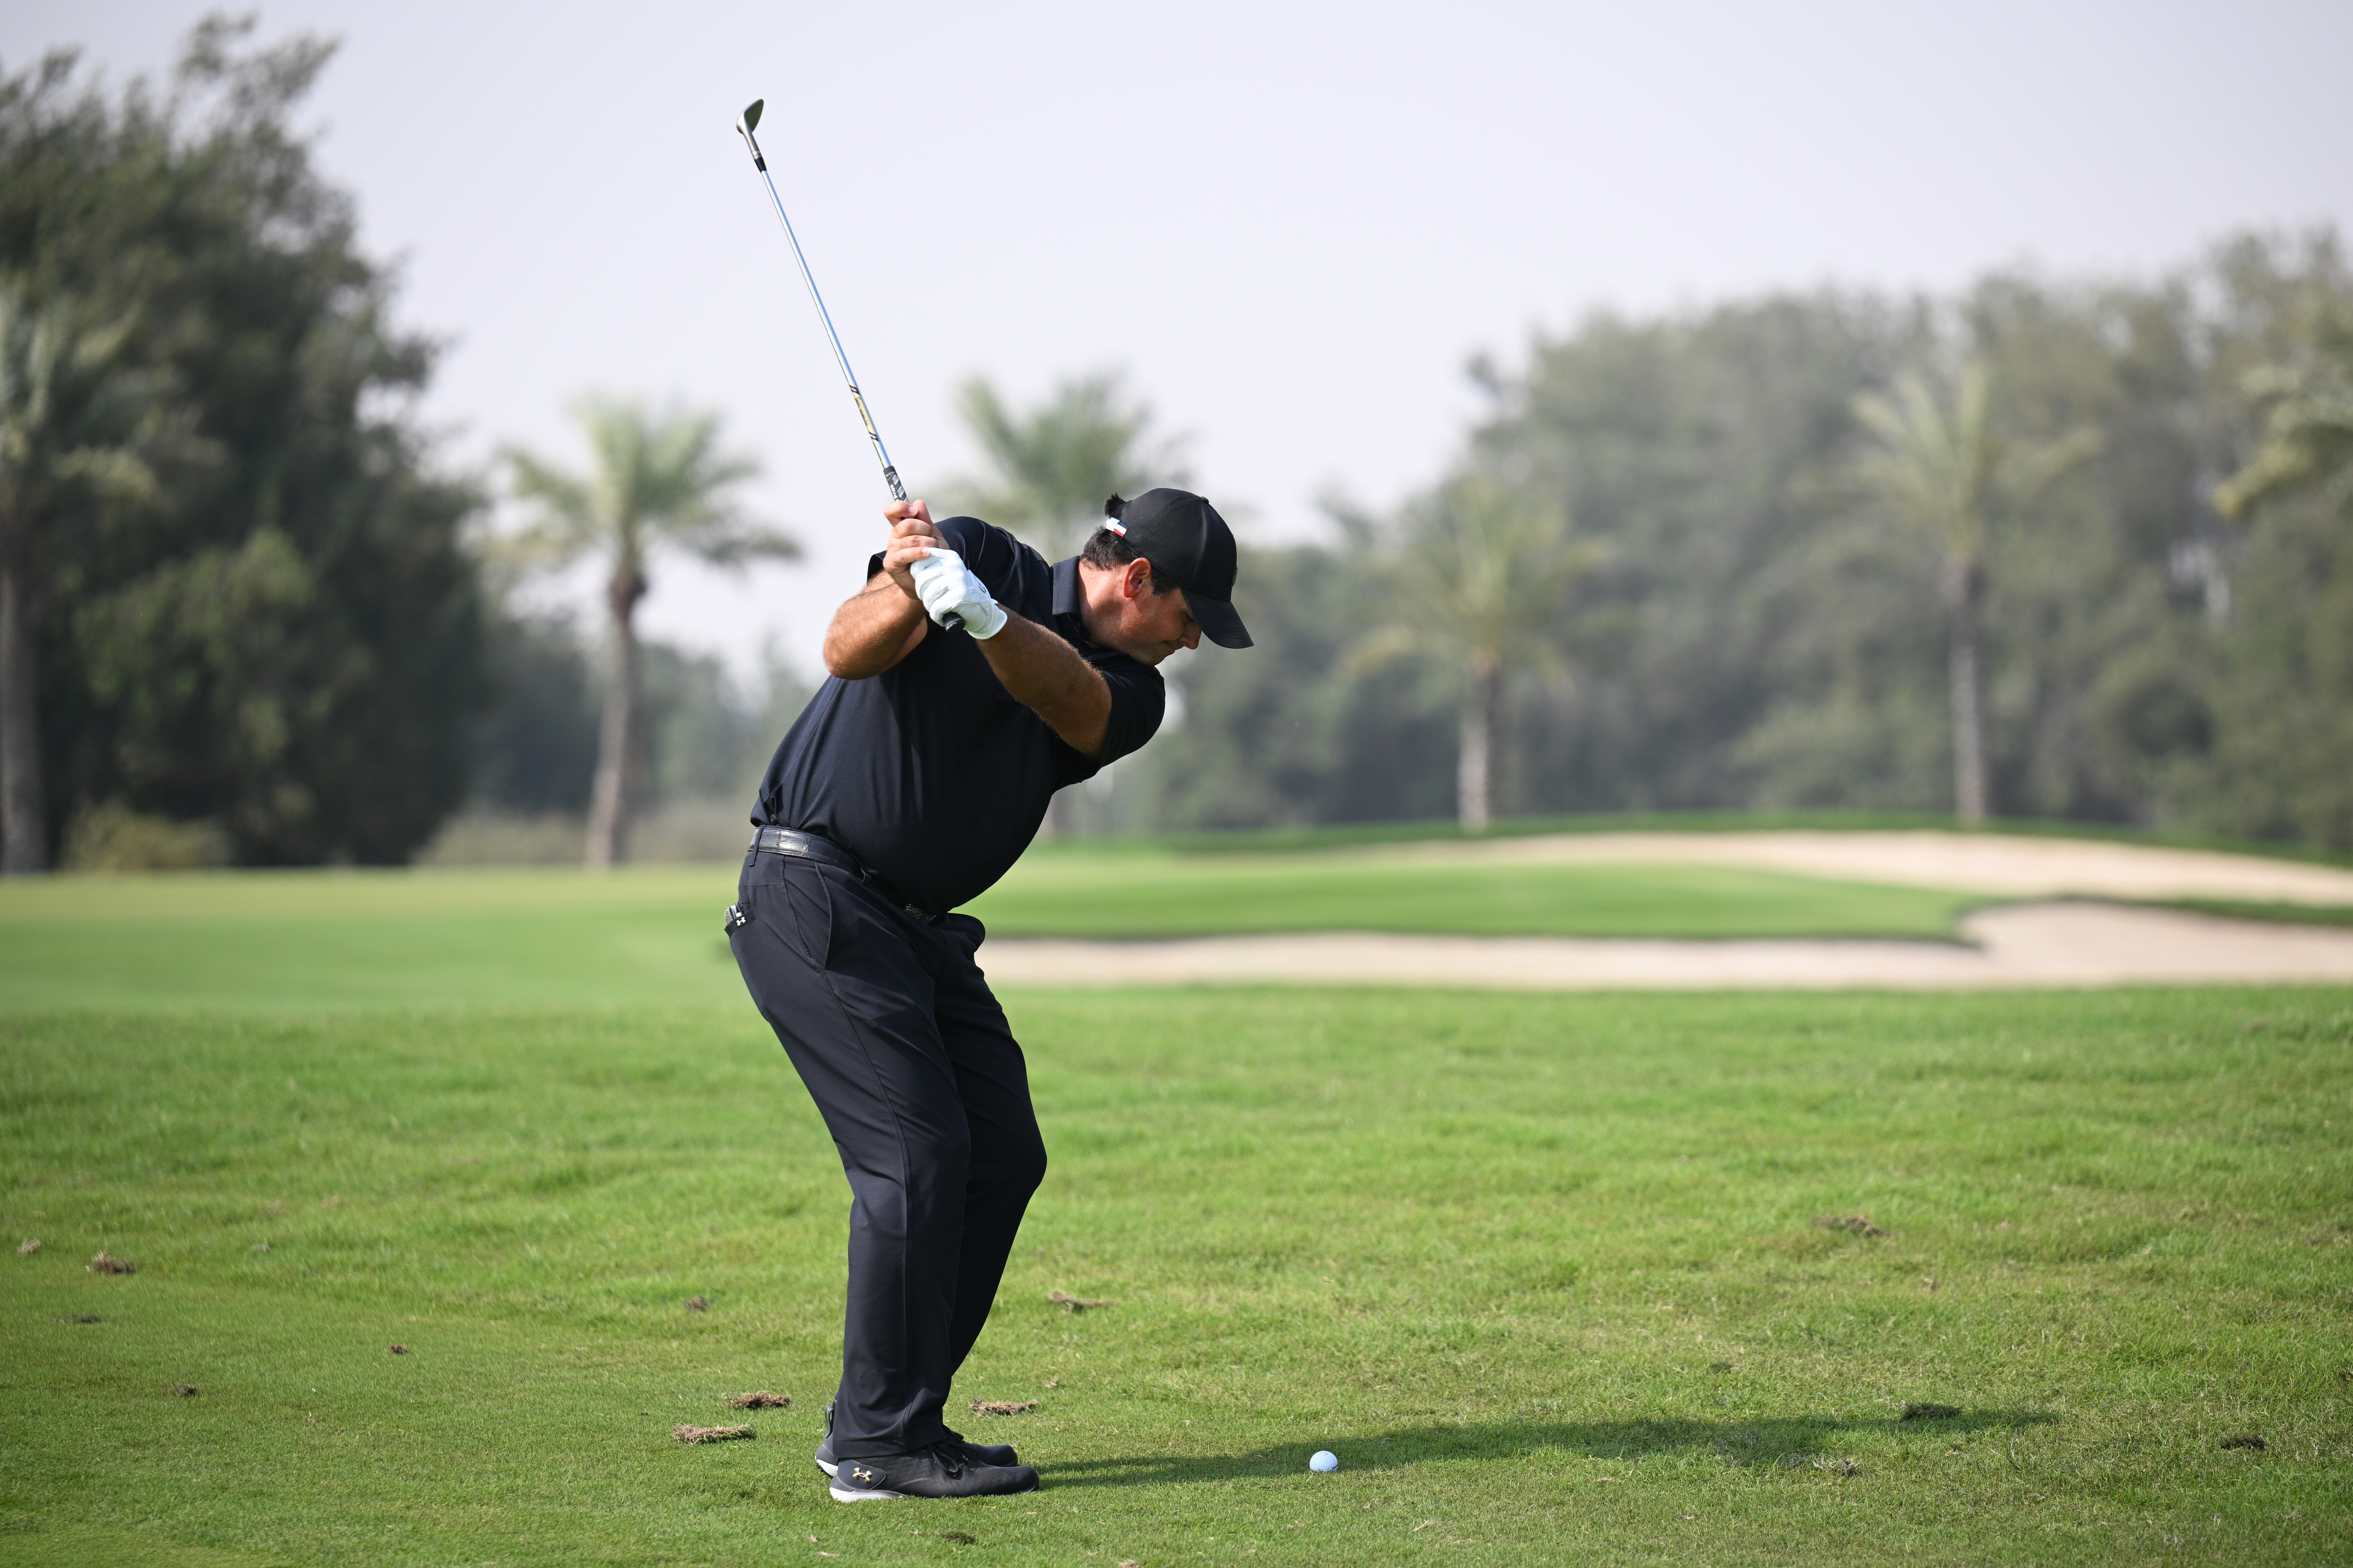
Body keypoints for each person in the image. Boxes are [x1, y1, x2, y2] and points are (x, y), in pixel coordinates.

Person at [726, 487, 1252, 1502]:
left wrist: (986, 620)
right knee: (918, 1152)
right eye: (1190, 617)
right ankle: (882, 1442)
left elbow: (1073, 701)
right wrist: (913, 587)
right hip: (815, 891)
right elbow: (847, 648)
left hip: (919, 932)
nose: (1191, 642)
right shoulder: (972, 553)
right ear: (1137, 578)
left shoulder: (1131, 691)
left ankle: (889, 1418)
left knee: (1002, 1150)